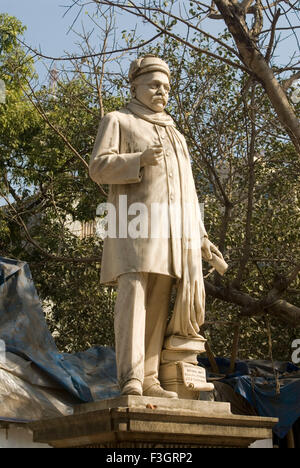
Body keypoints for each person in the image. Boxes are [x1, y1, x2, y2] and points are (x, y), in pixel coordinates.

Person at [89, 55, 224, 398]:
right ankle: (130, 378)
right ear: (134, 85)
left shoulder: (176, 134)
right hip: (133, 227)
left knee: (159, 304)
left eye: (166, 86)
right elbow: (99, 167)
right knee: (133, 299)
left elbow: (189, 190)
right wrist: (137, 160)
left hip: (172, 232)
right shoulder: (118, 120)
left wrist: (202, 236)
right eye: (153, 84)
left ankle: (150, 378)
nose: (161, 91)